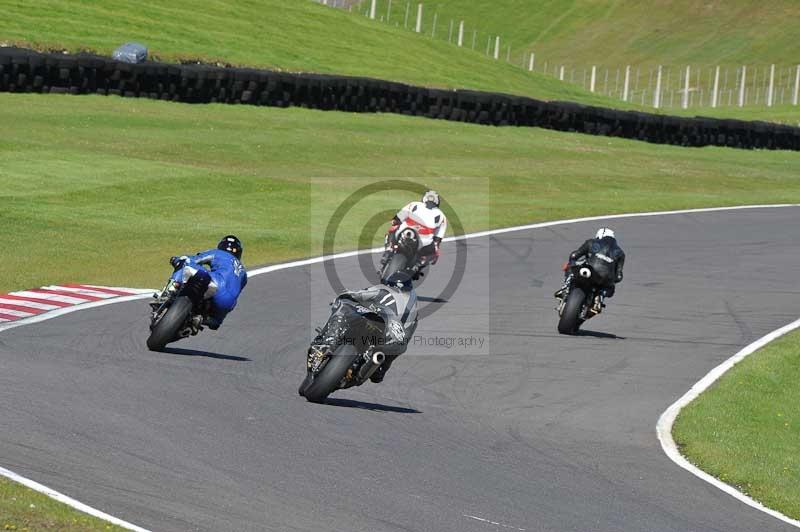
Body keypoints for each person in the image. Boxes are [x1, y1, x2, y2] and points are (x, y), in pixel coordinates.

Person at [311, 271, 418, 383]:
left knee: (343, 309)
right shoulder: (412, 308)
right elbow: (406, 337)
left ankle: (327, 340)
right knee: (395, 350)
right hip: (387, 339)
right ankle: (379, 369)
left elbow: (359, 294)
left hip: (376, 327)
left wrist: (345, 296)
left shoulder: (384, 291)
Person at [168, 235, 248, 330]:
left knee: (184, 261)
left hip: (214, 282)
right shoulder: (243, 273)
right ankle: (201, 319)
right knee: (215, 323)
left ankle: (171, 288)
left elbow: (195, 259)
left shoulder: (218, 253)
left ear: (221, 246)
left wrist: (176, 260)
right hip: (227, 303)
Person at [383, 190, 447, 277]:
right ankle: (418, 265)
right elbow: (438, 239)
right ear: (437, 203)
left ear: (423, 199)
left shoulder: (414, 204)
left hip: (405, 233)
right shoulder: (442, 216)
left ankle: (388, 249)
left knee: (393, 229)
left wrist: (395, 222)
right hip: (423, 242)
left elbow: (396, 220)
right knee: (435, 252)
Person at [554, 227, 625, 306]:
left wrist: (571, 264)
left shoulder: (591, 242)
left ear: (599, 236)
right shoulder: (621, 253)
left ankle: (565, 288)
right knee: (610, 288)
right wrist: (612, 279)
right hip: (604, 278)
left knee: (571, 269)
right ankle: (601, 295)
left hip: (589, 270)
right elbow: (619, 276)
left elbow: (574, 255)